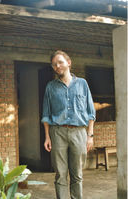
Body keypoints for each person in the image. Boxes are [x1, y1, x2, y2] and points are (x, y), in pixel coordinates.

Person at [41, 50, 96, 199]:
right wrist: (47, 137)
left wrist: (90, 135)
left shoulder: (82, 84)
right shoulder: (50, 87)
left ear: (69, 63)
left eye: (60, 62)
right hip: (57, 132)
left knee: (77, 174)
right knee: (60, 174)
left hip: (79, 133)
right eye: (54, 64)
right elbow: (46, 114)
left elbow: (91, 112)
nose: (57, 66)